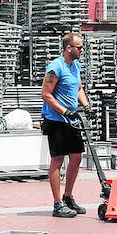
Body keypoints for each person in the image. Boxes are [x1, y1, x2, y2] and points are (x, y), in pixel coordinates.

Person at [40, 32, 91, 218]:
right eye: (79, 47)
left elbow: (78, 88)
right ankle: (57, 203)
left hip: (72, 120)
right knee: (58, 160)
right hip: (56, 120)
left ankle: (68, 196)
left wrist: (86, 105)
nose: (82, 50)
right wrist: (64, 110)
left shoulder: (75, 65)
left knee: (76, 157)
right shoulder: (55, 67)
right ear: (69, 48)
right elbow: (46, 94)